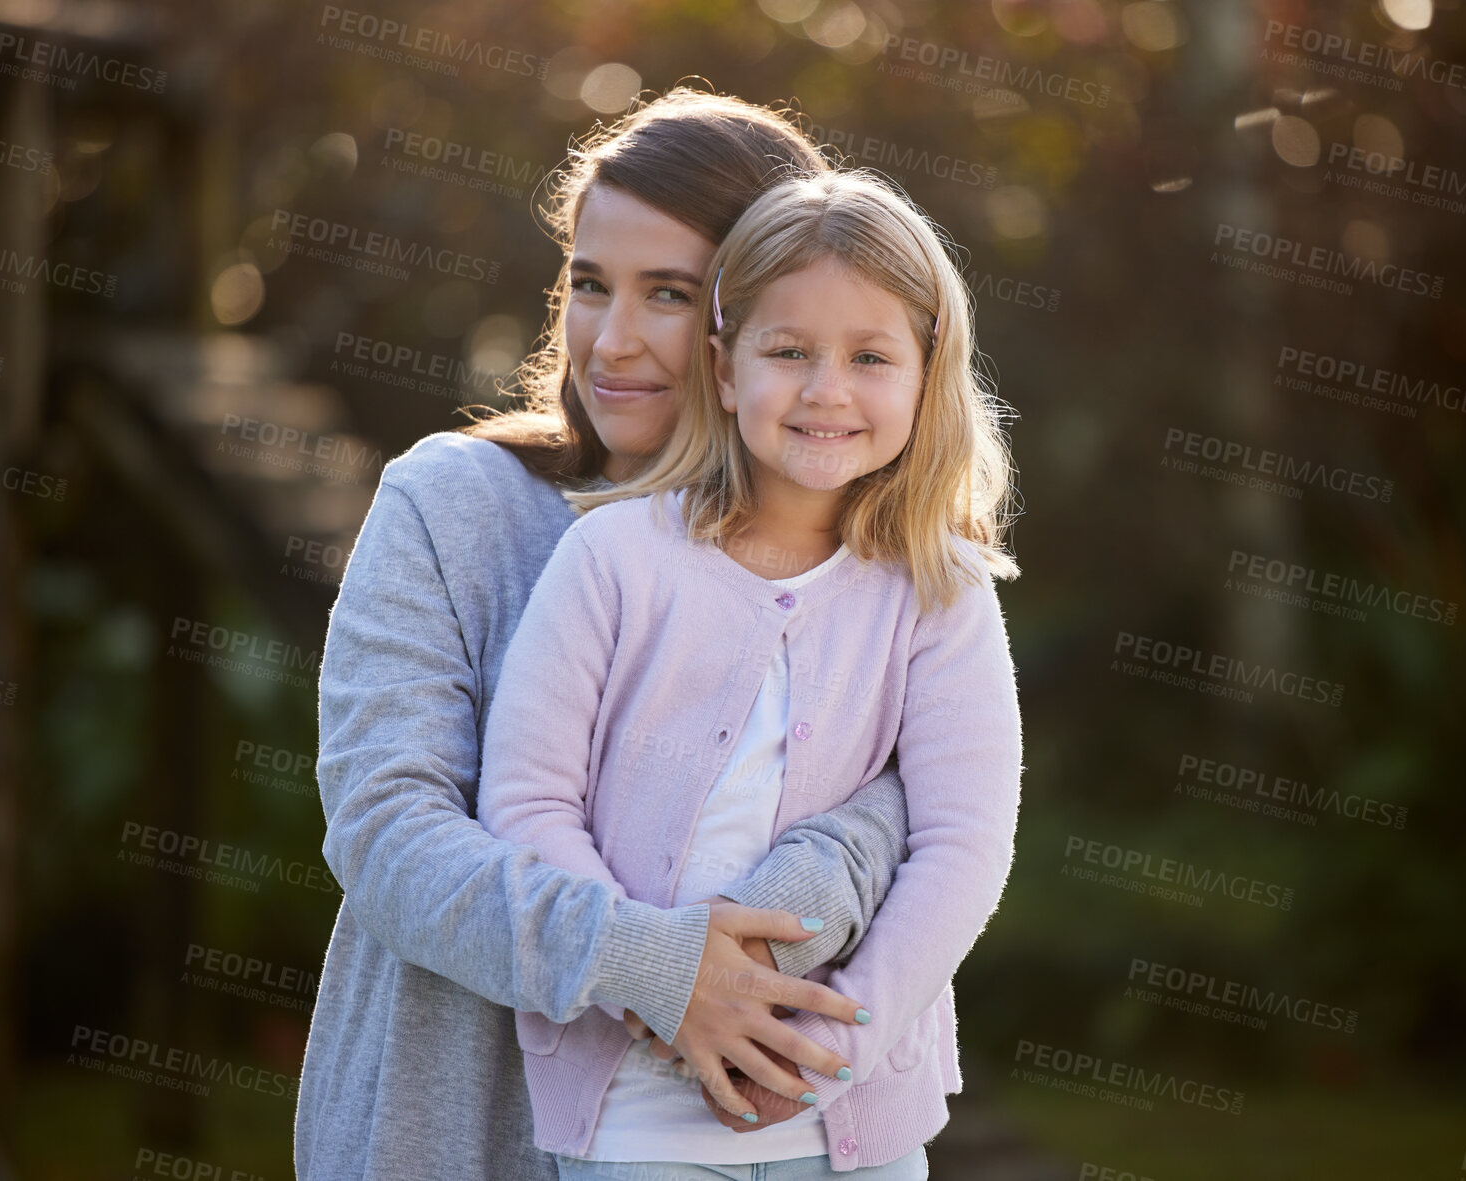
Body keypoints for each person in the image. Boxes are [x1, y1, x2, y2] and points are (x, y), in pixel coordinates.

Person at [294, 90, 918, 1181]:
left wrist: (765, 936)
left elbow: (903, 798)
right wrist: (659, 964)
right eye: (589, 284)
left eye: (667, 294)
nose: (611, 340)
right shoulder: (458, 505)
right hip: (461, 1136)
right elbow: (387, 828)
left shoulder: (859, 549)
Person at [478, 170, 1024, 1180]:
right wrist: (654, 977)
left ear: (926, 372)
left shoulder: (941, 593)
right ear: (726, 371)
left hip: (851, 1121)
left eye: (870, 355)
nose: (827, 389)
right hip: (631, 1115)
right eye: (789, 352)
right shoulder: (613, 560)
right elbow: (526, 796)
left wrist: (831, 1050)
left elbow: (963, 840)